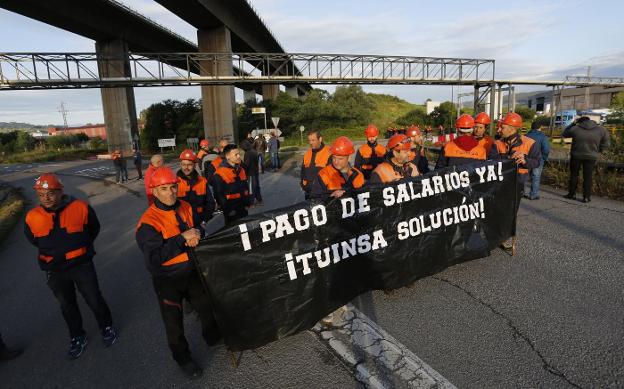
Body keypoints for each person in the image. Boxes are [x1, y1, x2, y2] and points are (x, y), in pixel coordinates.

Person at [136, 166, 220, 378]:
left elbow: (198, 227)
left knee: (206, 307)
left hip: (192, 272)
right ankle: (183, 358)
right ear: (154, 192)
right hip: (168, 281)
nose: (171, 192)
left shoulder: (186, 206)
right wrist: (182, 238)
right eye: (164, 189)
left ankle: (213, 337)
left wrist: (197, 233)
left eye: (173, 187)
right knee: (174, 325)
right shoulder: (148, 223)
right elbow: (154, 259)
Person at [24, 173, 117, 359]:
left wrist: (80, 246)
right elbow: (33, 239)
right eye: (41, 194)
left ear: (60, 192)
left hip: (81, 265)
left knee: (94, 299)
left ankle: (106, 327)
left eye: (50, 193)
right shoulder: (32, 216)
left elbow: (93, 228)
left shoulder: (81, 208)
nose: (46, 198)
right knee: (67, 306)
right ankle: (77, 336)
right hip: (55, 270)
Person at [495, 112, 541, 252]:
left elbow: (536, 162)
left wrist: (525, 159)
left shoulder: (530, 143)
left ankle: (504, 237)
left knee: (511, 211)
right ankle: (495, 235)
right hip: (499, 182)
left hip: (517, 182)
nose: (499, 129)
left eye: (502, 127)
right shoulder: (497, 143)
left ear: (512, 128)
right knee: (496, 209)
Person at [562, 116, 610, 202]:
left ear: (579, 122)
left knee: (574, 175)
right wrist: (601, 151)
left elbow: (565, 134)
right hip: (592, 156)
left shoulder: (575, 128)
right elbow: (606, 142)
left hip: (576, 155)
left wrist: (572, 124)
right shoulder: (601, 129)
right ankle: (586, 197)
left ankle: (571, 194)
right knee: (588, 177)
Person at [310, 136, 365, 201]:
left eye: (340, 159)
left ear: (349, 158)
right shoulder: (324, 174)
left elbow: (363, 197)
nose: (336, 162)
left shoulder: (358, 175)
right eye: (334, 157)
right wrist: (331, 196)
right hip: (331, 210)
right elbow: (314, 199)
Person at [176, 149, 216, 231]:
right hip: (181, 226)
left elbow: (210, 203)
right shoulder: (174, 183)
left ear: (195, 165)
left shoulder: (202, 181)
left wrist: (205, 221)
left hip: (199, 224)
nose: (186, 167)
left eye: (189, 165)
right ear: (180, 164)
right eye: (183, 165)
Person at [213, 144, 251, 224]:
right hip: (231, 210)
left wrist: (248, 203)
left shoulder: (241, 170)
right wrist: (228, 210)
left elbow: (246, 188)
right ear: (227, 156)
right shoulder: (219, 173)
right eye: (236, 155)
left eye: (239, 154)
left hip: (243, 207)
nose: (238, 157)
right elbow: (218, 195)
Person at [300, 130, 331, 200]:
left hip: (323, 194)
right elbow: (303, 172)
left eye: (313, 140)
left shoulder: (329, 152)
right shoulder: (307, 154)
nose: (311, 143)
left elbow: (332, 175)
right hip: (308, 192)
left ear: (320, 139)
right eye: (309, 140)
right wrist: (303, 185)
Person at [525, 121, 551, 200]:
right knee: (536, 177)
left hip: (526, 159)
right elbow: (546, 149)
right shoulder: (543, 137)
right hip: (538, 159)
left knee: (525, 176)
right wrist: (544, 157)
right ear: (540, 128)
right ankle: (533, 195)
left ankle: (522, 192)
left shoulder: (525, 136)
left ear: (531, 127)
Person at [241, 139, 263, 206]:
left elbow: (246, 165)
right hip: (255, 172)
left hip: (250, 173)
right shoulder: (253, 151)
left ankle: (251, 202)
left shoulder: (247, 153)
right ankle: (259, 200)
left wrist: (241, 163)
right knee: (256, 186)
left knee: (251, 188)